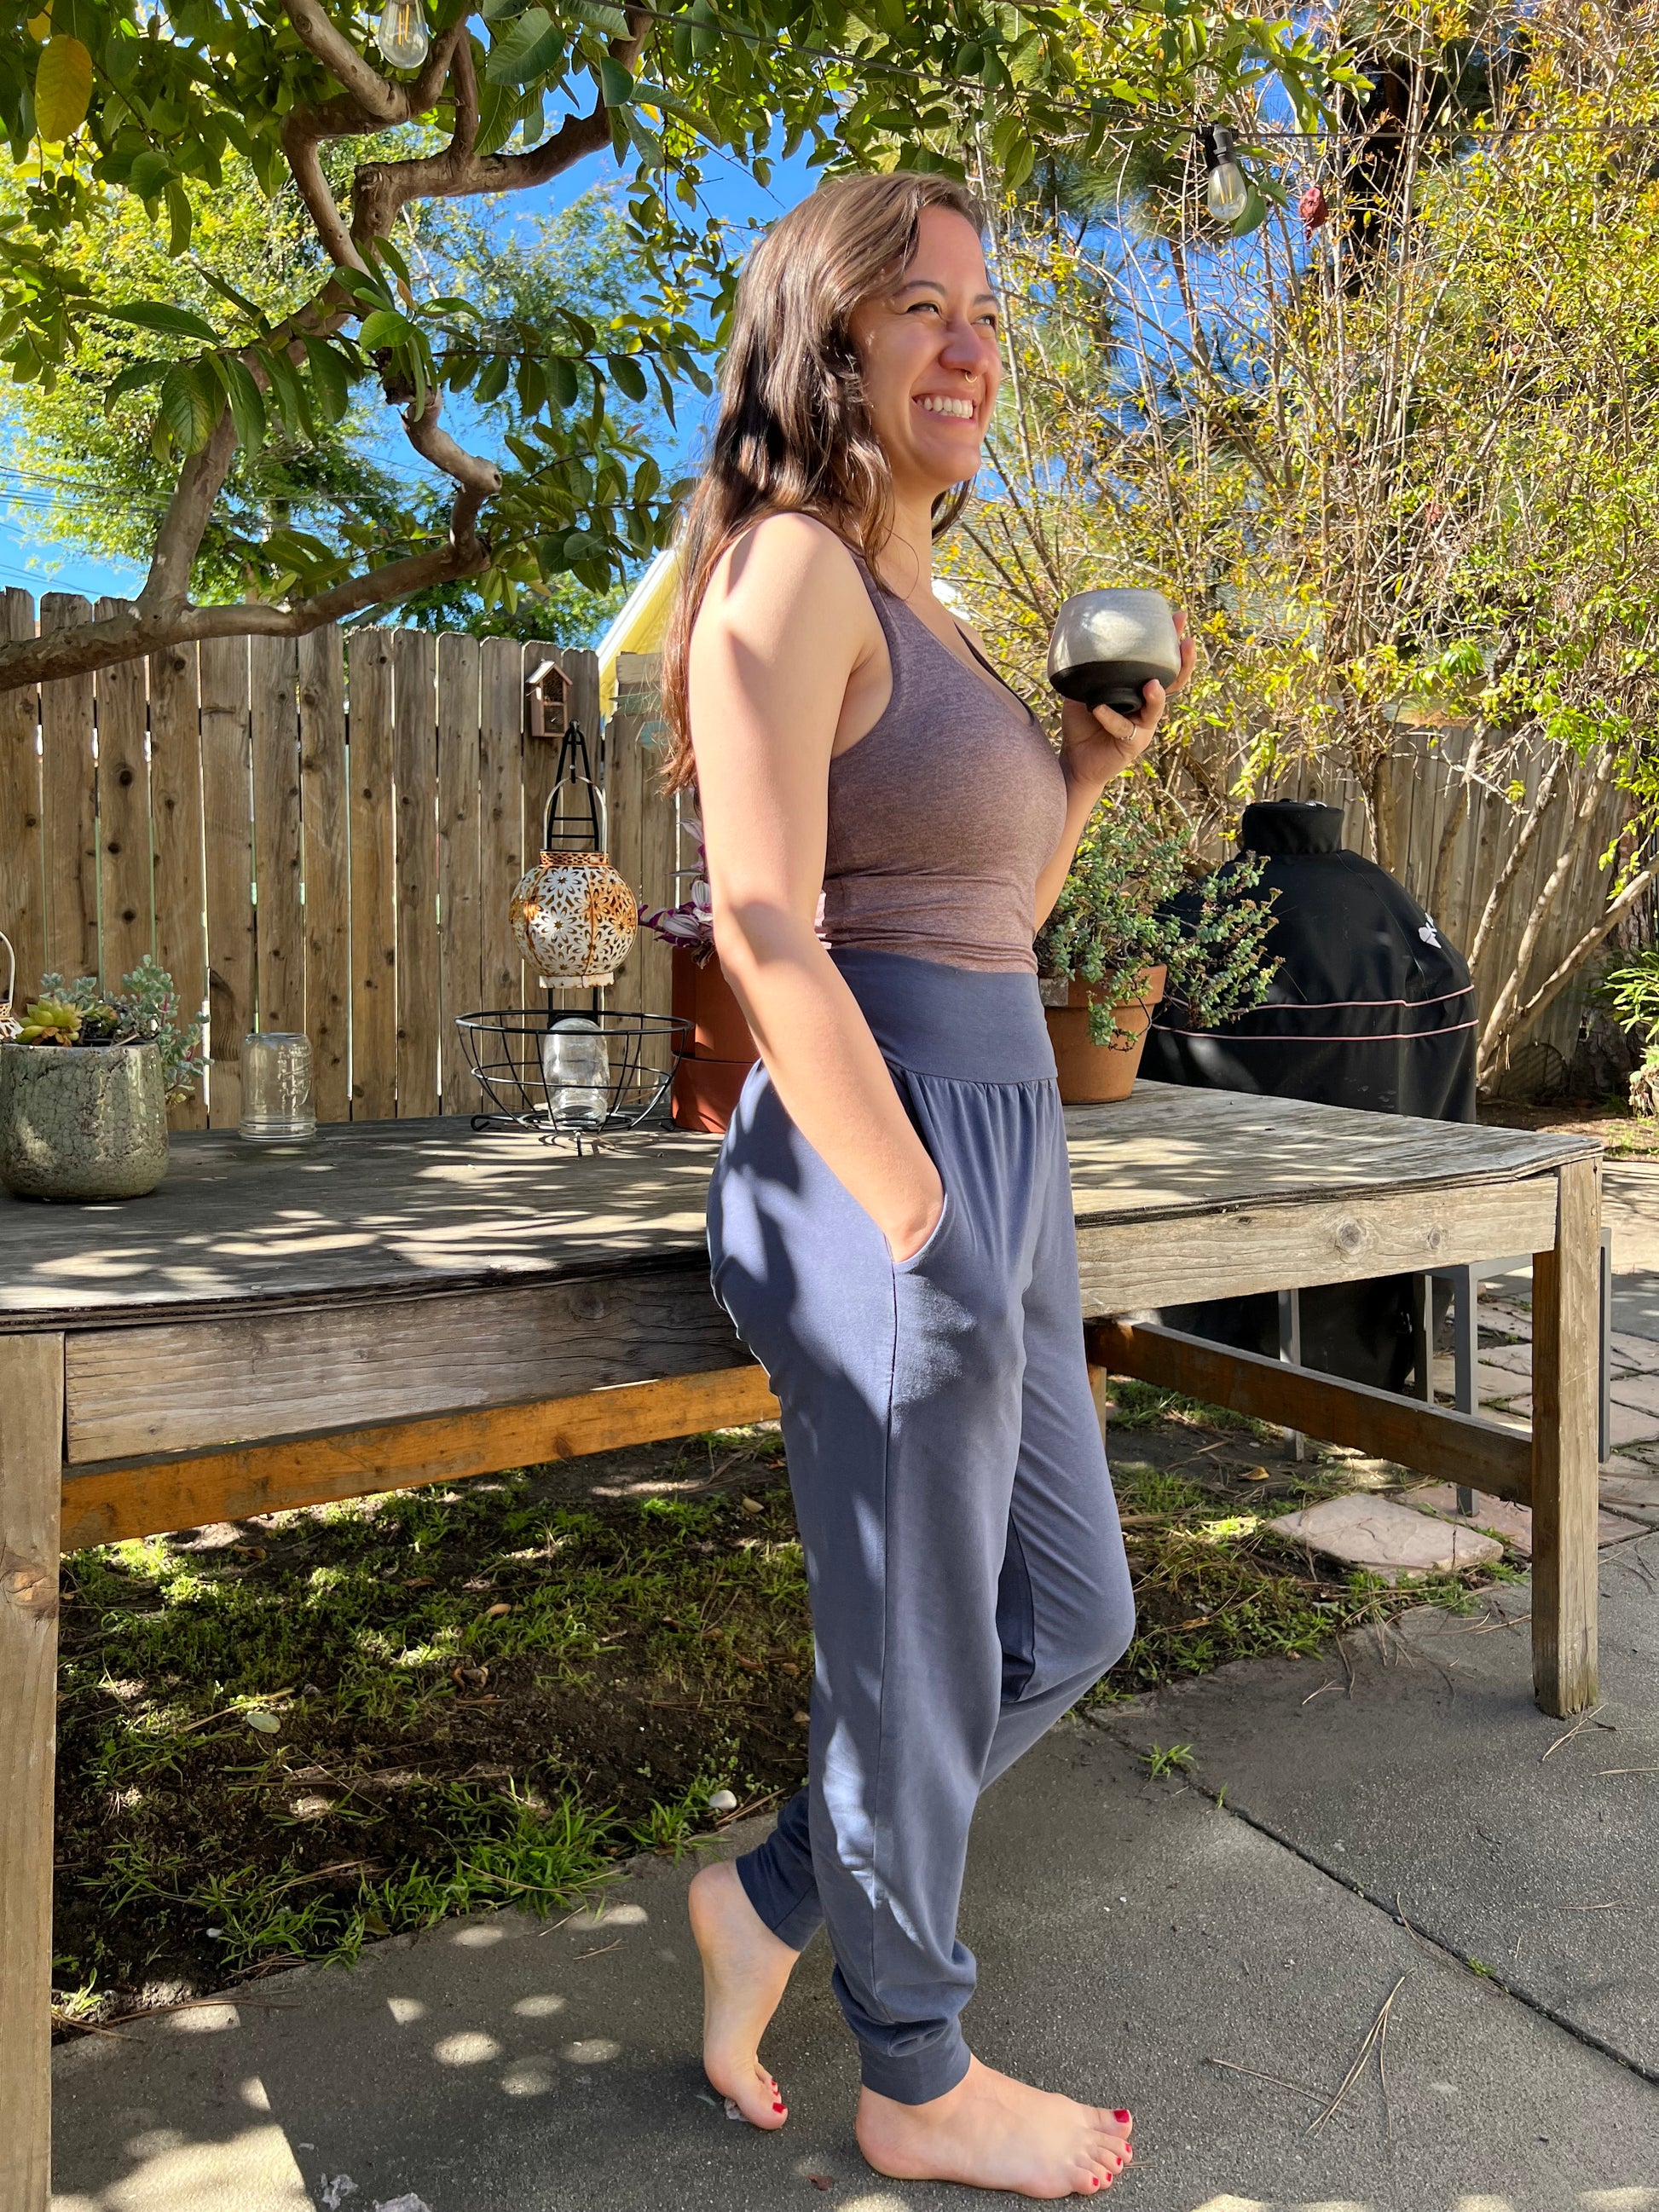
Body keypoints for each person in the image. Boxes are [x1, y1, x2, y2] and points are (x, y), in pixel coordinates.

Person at [660, 170, 1194, 2199]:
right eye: (922, 308)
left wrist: (1083, 774)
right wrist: (910, 1220)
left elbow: (986, 919)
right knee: (915, 1643)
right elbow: (765, 925)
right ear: (828, 340)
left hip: (999, 1129)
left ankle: (769, 1896)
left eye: (987, 312)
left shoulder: (930, 602)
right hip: (872, 1146)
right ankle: (915, 2068)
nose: (972, 345)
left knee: (1064, 1609)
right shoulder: (789, 570)